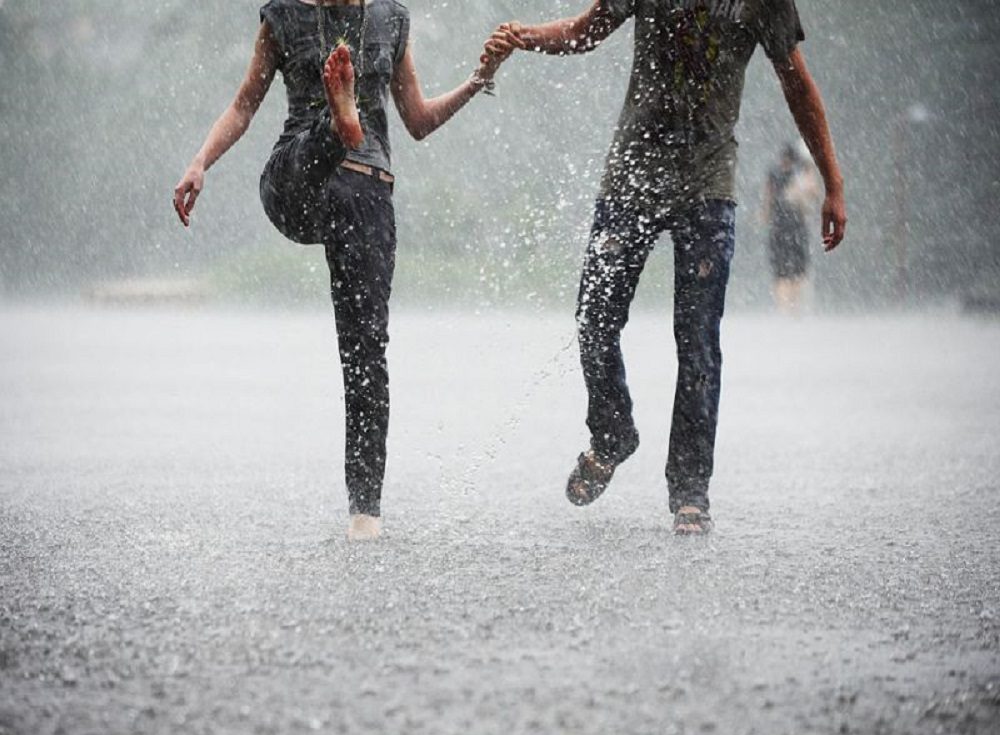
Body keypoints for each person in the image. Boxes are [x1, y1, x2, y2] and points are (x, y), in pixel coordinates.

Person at [494, 0, 847, 534]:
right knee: (594, 318)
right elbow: (586, 32)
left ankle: (690, 489)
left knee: (698, 338)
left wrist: (833, 182)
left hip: (707, 184)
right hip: (633, 172)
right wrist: (525, 36)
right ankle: (612, 433)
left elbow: (796, 82)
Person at [173, 0, 516, 541]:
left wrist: (479, 79)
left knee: (364, 352)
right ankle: (339, 126)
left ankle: (365, 513)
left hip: (360, 192)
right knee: (366, 355)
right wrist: (200, 162)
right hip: (303, 182)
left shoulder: (390, 19)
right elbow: (244, 106)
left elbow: (419, 119)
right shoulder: (282, 17)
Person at [762, 141, 822, 313]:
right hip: (795, 228)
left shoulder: (775, 174)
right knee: (795, 272)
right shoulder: (800, 174)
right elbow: (812, 197)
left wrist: (766, 214)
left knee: (783, 272)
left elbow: (768, 202)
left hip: (781, 227)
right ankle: (793, 309)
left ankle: (785, 309)